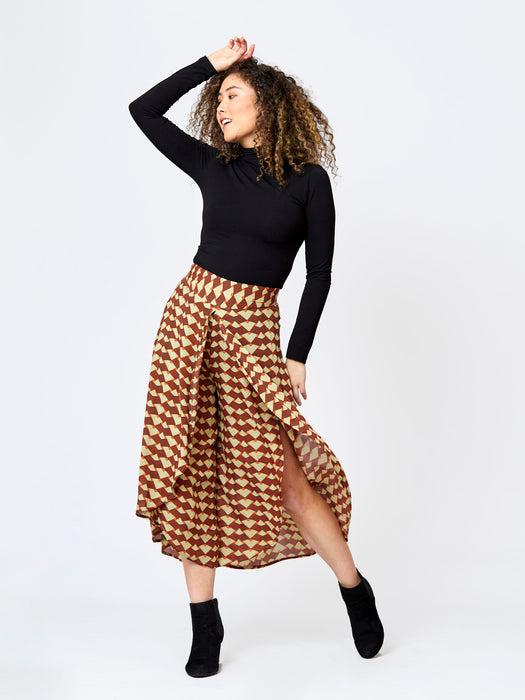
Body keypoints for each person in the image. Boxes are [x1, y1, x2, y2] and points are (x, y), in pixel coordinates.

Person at [128, 36, 384, 677]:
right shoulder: (213, 165)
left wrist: (297, 354)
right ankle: (204, 625)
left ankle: (354, 589)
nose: (220, 106)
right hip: (190, 320)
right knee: (191, 472)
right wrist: (210, 66)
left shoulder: (309, 183)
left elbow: (319, 276)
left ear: (267, 104)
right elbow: (143, 110)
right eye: (217, 98)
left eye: (233, 95)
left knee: (289, 480)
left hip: (251, 329)